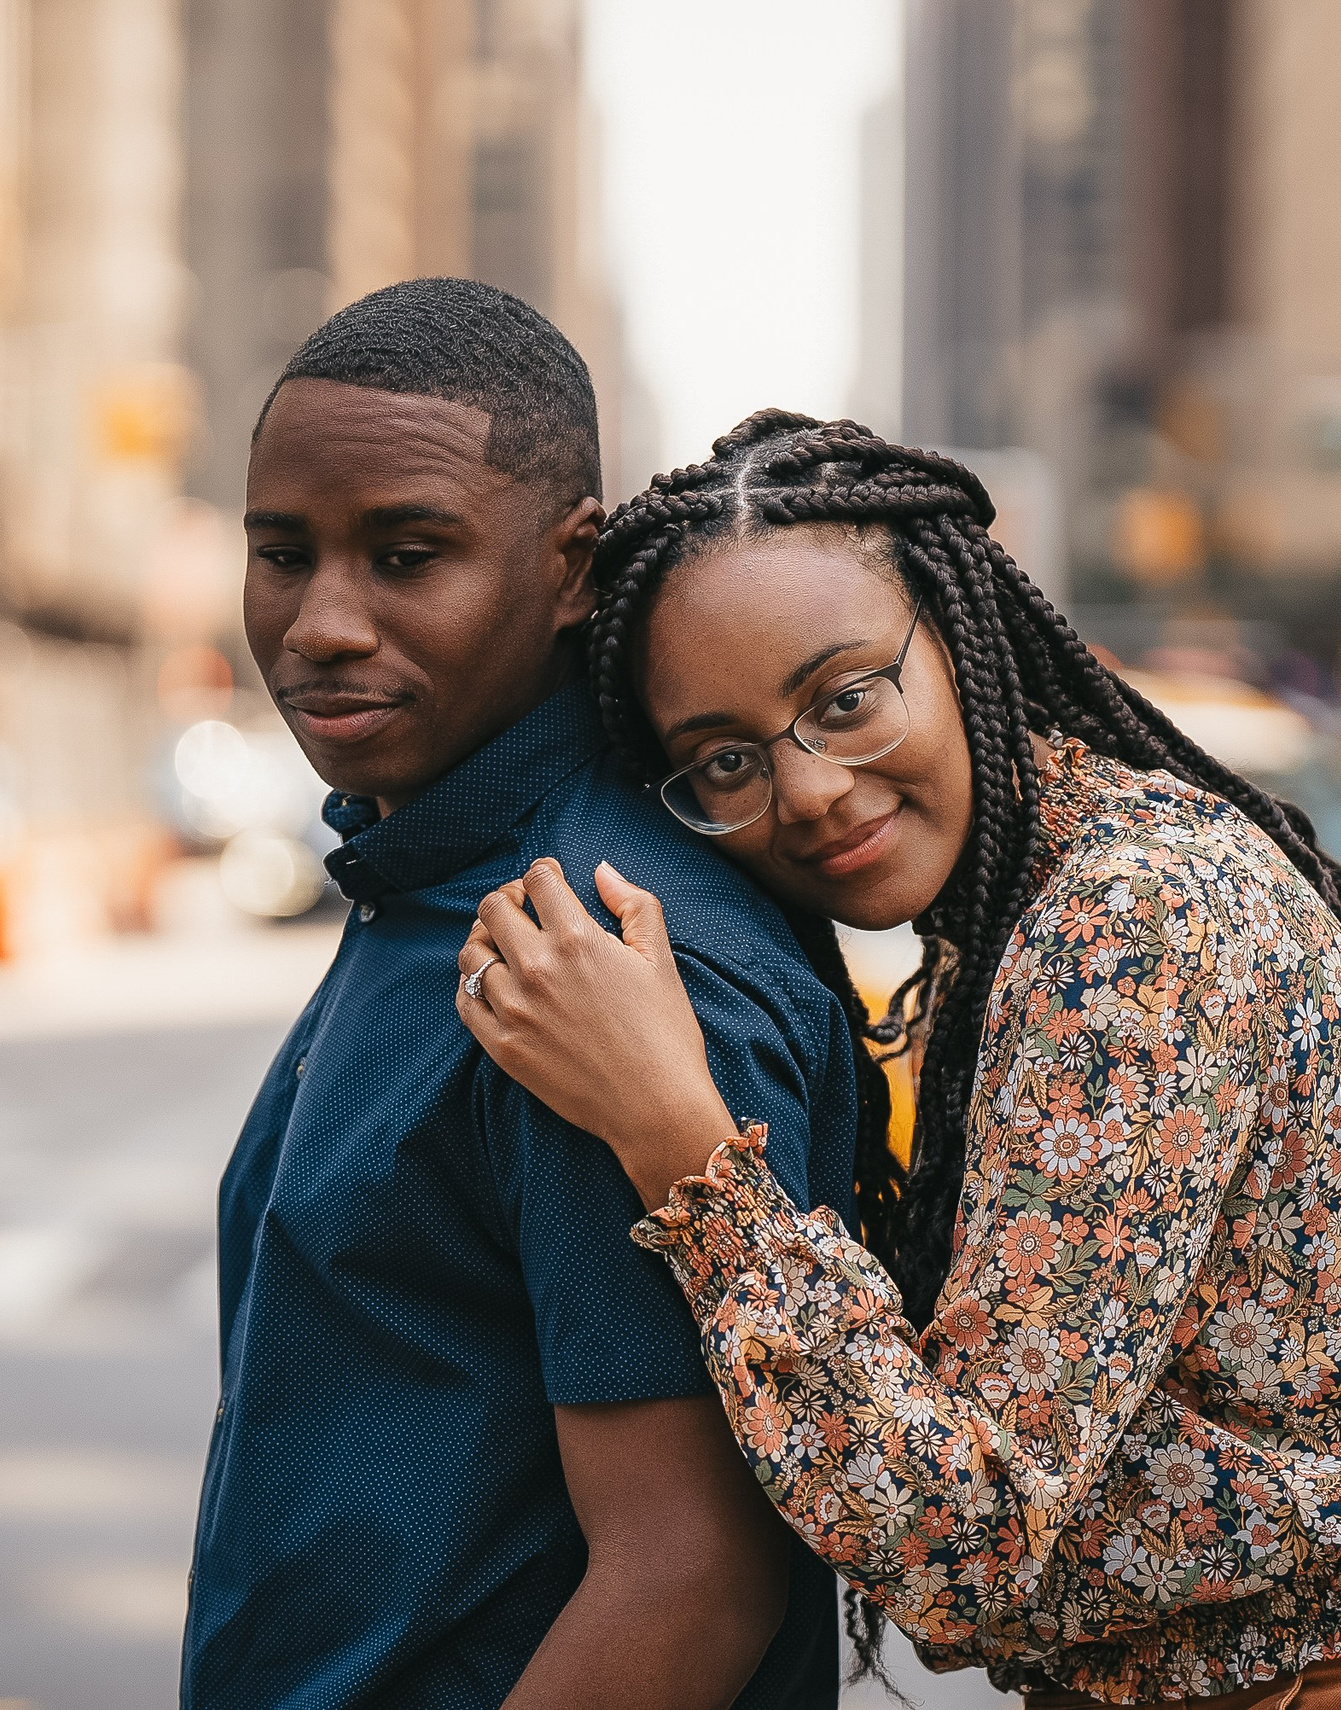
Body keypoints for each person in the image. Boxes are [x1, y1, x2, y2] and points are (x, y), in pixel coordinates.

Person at [455, 412, 1341, 1709]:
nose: (809, 790)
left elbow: (966, 1532)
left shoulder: (1125, 929)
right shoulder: (1032, 906)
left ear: (961, 639)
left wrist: (673, 1128)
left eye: (844, 699)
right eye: (726, 759)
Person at [183, 294, 878, 1710]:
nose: (320, 622)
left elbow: (691, 1581)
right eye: (281, 552)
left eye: (406, 555)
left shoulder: (592, 949)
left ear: (572, 566)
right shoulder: (425, 862)